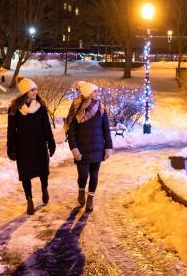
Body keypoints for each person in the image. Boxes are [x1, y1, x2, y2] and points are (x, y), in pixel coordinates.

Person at [7, 76, 56, 215]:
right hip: (23, 147)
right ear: (25, 92)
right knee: (25, 174)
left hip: (39, 145)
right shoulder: (14, 110)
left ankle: (44, 188)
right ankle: (29, 199)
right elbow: (11, 131)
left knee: (43, 171)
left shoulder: (40, 107)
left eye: (36, 89)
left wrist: (51, 143)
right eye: (32, 89)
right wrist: (11, 148)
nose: (36, 92)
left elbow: (47, 127)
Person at [64, 81, 113, 212]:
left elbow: (106, 129)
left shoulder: (101, 109)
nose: (97, 93)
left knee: (94, 174)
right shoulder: (76, 108)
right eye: (95, 91)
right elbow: (71, 131)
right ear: (88, 93)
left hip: (98, 148)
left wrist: (108, 146)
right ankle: (81, 190)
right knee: (83, 175)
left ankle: (90, 199)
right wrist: (73, 148)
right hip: (82, 148)